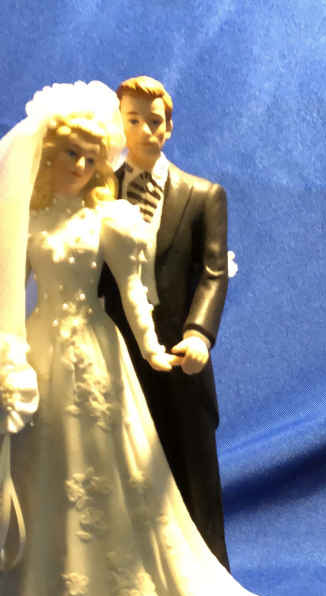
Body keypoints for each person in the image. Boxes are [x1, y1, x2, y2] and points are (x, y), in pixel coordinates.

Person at [0, 82, 277, 596]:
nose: (81, 168)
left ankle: (126, 595)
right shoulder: (27, 224)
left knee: (118, 466)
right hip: (42, 350)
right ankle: (38, 595)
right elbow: (1, 295)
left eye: (90, 157)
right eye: (70, 156)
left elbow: (134, 297)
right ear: (46, 157)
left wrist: (155, 350)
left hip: (98, 348)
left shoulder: (109, 219)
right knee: (45, 466)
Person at [99, 76, 233, 568]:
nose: (145, 131)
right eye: (132, 120)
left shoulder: (202, 195)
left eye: (154, 121)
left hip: (179, 353)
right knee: (122, 463)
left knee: (192, 463)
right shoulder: (96, 192)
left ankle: (209, 571)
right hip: (115, 349)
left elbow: (213, 272)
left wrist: (199, 333)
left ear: (169, 127)